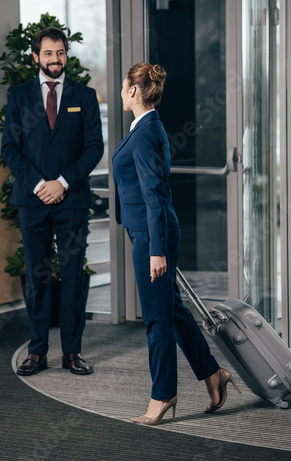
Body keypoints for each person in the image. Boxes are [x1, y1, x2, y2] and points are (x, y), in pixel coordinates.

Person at [112, 62, 241, 425]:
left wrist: (156, 250)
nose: (122, 92)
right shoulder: (145, 127)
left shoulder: (146, 131)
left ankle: (163, 394)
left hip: (152, 236)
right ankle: (213, 374)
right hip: (148, 232)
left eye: (124, 86)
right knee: (173, 310)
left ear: (134, 91)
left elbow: (155, 195)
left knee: (157, 319)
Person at [2, 27, 103, 376]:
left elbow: (94, 148)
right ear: (35, 57)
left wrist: (61, 182)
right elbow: (9, 150)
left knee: (73, 275)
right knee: (37, 276)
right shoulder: (18, 96)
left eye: (60, 52)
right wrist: (40, 185)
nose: (55, 59)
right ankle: (37, 351)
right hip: (32, 201)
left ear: (66, 55)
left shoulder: (85, 96)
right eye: (48, 53)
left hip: (71, 199)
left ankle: (72, 352)